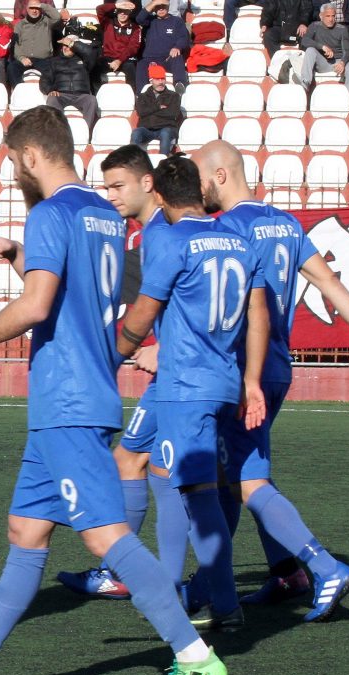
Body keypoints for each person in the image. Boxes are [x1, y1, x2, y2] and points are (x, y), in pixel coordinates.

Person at [0, 107, 228, 675]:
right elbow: (72, 289)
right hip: (79, 392)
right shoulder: (102, 213)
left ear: (30, 155)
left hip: (67, 397)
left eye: (12, 161)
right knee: (26, 530)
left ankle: (195, 657)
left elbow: (36, 305)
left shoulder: (50, 212)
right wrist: (19, 253)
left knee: (105, 537)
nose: (13, 172)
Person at [190, 140, 349, 621]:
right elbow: (328, 281)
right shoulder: (284, 222)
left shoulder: (228, 229)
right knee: (236, 473)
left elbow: (232, 307)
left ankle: (323, 567)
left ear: (220, 176)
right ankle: (282, 573)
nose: (196, 190)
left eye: (198, 178)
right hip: (278, 367)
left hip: (246, 372)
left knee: (244, 480)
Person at [117, 155, 270, 634]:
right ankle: (184, 590)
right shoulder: (239, 239)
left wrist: (113, 354)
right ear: (200, 192)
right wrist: (250, 380)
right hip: (225, 380)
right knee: (183, 483)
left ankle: (223, 604)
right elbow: (258, 315)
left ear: (160, 197)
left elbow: (145, 310)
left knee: (198, 496)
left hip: (186, 386)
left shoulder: (171, 240)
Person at [56, 145, 191, 600]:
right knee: (142, 463)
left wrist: (163, 350)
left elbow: (194, 301)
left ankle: (149, 578)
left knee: (175, 473)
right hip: (180, 375)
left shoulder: (163, 233)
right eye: (106, 186)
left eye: (118, 186)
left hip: (183, 375)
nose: (111, 195)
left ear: (147, 183)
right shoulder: (150, 233)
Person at [295, 3, 349, 94]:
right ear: (321, 16)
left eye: (333, 16)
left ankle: (347, 97)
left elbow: (347, 50)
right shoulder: (314, 26)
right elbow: (304, 41)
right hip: (322, 62)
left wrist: (342, 62)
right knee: (310, 50)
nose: (331, 19)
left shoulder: (342, 29)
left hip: (338, 62)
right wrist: (322, 47)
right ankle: (305, 85)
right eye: (327, 16)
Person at [40, 35, 98, 131]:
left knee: (92, 100)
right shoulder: (54, 61)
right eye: (64, 45)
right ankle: (57, 132)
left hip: (81, 95)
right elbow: (44, 80)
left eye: (68, 46)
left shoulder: (85, 60)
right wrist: (50, 90)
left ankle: (86, 132)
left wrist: (72, 43)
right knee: (52, 99)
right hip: (61, 95)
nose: (66, 48)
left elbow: (91, 53)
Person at [135, 0, 190, 91]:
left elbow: (183, 37)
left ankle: (180, 85)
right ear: (154, 8)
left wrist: (177, 47)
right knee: (141, 63)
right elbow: (139, 19)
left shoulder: (177, 21)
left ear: (168, 6)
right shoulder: (150, 20)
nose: (161, 9)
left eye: (163, 6)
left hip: (168, 59)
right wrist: (153, 3)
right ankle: (141, 93)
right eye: (158, 7)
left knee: (178, 57)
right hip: (150, 60)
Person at [7, 0, 61, 88]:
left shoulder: (47, 22)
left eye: (37, 8)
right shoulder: (20, 25)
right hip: (25, 59)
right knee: (12, 68)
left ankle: (48, 93)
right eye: (32, 8)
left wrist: (42, 5)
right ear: (27, 9)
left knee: (53, 71)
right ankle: (19, 91)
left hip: (44, 60)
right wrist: (22, 58)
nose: (34, 10)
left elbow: (57, 17)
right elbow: (16, 45)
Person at [130, 64, 183, 154]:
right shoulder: (143, 97)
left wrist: (150, 112)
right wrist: (158, 107)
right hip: (147, 129)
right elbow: (141, 112)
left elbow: (172, 113)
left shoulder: (174, 96)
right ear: (151, 80)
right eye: (157, 79)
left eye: (162, 79)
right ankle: (134, 159)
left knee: (165, 133)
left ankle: (164, 159)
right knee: (136, 132)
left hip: (166, 128)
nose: (161, 82)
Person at [95, 0, 142, 88]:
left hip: (125, 59)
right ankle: (99, 94)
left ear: (130, 12)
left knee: (130, 66)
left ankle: (132, 93)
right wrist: (116, 5)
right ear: (116, 11)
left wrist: (119, 60)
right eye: (120, 11)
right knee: (97, 67)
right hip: (108, 57)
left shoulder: (135, 28)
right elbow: (99, 9)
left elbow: (133, 47)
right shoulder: (107, 22)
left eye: (126, 11)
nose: (122, 14)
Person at [261, 0, 311, 67]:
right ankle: (277, 63)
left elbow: (307, 10)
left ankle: (302, 64)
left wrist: (303, 23)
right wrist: (265, 24)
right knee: (268, 35)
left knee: (306, 37)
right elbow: (268, 10)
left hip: (297, 27)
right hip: (279, 27)